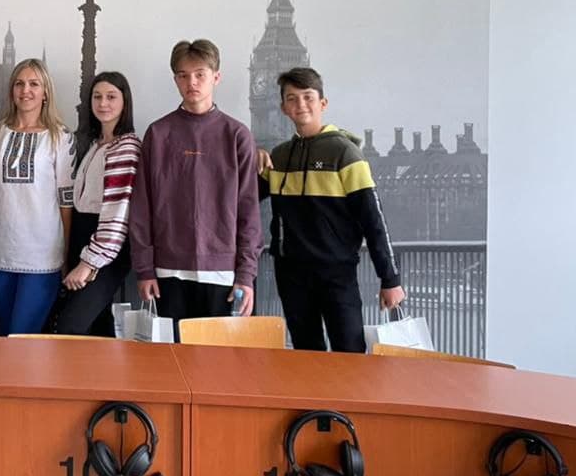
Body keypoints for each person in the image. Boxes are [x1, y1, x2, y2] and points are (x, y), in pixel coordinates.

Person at [258, 67, 406, 352]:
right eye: (292, 98)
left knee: (349, 352)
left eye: (308, 97)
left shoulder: (346, 153)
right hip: (291, 273)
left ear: (323, 103)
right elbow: (242, 197)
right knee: (305, 352)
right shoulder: (279, 157)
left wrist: (390, 280)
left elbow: (373, 220)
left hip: (337, 272)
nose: (301, 104)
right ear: (283, 107)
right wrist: (247, 153)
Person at [129, 39, 261, 326]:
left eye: (200, 74)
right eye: (183, 75)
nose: (192, 82)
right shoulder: (158, 133)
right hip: (166, 272)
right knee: (171, 353)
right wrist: (145, 268)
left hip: (223, 274)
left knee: (217, 354)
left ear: (216, 77)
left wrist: (246, 273)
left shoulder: (237, 135)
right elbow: (142, 207)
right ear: (175, 80)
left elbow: (249, 210)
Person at [0, 58, 74, 336]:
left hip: (42, 254)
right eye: (19, 84)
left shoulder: (60, 137)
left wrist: (65, 254)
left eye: (34, 84)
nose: (26, 90)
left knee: (21, 337)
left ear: (46, 92)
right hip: (0, 249)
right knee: (3, 334)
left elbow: (65, 201)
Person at [53, 72, 141, 337]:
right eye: (97, 97)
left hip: (105, 244)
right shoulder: (95, 144)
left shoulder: (126, 147)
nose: (103, 103)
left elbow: (117, 211)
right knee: (97, 326)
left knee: (70, 325)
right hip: (82, 235)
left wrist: (89, 263)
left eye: (111, 97)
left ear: (125, 102)